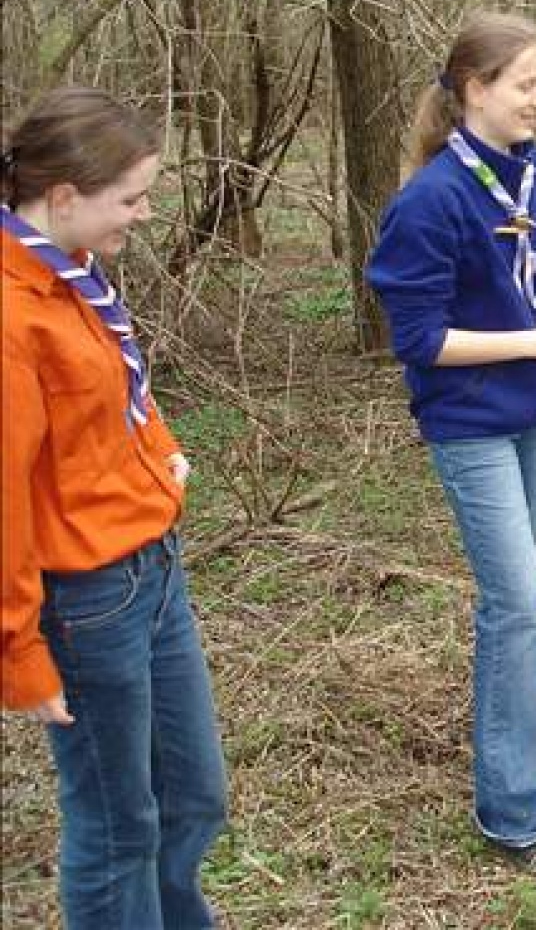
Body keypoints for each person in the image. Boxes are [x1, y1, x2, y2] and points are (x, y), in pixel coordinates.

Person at [366, 11, 536, 875]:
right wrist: (534, 341)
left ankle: (523, 755)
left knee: (530, 592)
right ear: (475, 90)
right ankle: (514, 808)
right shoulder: (429, 201)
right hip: (471, 423)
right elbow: (419, 339)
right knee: (517, 601)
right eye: (526, 83)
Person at [1, 87, 227, 928]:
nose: (144, 214)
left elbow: (118, 377)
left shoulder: (70, 269)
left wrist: (159, 447)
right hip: (88, 602)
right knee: (117, 823)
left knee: (194, 794)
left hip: (155, 570)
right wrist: (19, 649)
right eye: (131, 198)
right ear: (64, 195)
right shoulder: (12, 312)